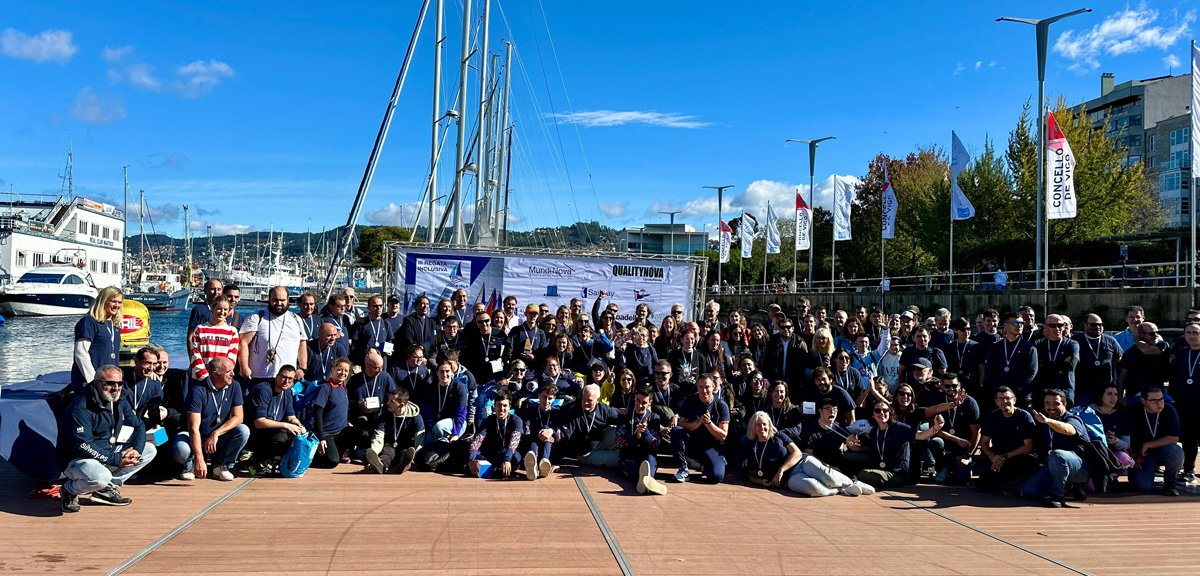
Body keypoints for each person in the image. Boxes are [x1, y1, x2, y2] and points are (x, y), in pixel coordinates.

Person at [56, 365, 156, 513]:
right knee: (100, 477)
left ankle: (106, 490)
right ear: (96, 384)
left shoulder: (120, 400)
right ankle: (69, 490)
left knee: (149, 450)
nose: (116, 388)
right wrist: (116, 459)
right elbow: (83, 445)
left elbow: (138, 425)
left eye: (120, 384)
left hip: (106, 451)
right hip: (76, 458)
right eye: (110, 383)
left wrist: (136, 450)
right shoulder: (81, 406)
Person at [174, 357, 249, 481]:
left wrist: (216, 433)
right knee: (181, 449)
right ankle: (189, 465)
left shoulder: (234, 386)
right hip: (193, 434)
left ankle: (222, 466)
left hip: (217, 435)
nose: (233, 374)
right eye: (228, 371)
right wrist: (200, 459)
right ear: (215, 374)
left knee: (243, 430)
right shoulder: (197, 391)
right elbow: (193, 428)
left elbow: (239, 417)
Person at [848, 399, 944, 489]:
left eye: (885, 410)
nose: (882, 413)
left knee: (864, 474)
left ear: (890, 413)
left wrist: (935, 428)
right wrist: (854, 447)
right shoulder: (874, 431)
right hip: (880, 468)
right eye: (878, 411)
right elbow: (872, 450)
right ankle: (853, 480)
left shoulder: (899, 428)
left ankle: (853, 481)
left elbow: (921, 435)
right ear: (873, 414)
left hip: (897, 474)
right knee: (848, 456)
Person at [1022, 389, 1091, 508]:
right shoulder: (1043, 423)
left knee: (1057, 454)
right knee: (1029, 491)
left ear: (1064, 404)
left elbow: (1068, 429)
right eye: (1047, 403)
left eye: (1056, 403)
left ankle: (1058, 495)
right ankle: (1069, 486)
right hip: (1053, 465)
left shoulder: (1073, 419)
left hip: (1080, 467)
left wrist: (1048, 421)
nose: (1051, 407)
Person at [976, 386, 1039, 493]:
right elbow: (984, 442)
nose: (1004, 401)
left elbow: (1028, 447)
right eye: (1000, 399)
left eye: (1007, 398)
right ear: (996, 402)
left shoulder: (1024, 416)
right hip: (998, 456)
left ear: (1014, 400)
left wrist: (1004, 457)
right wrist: (993, 458)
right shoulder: (992, 416)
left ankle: (1017, 482)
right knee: (981, 485)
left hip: (1019, 456)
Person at [238, 286, 308, 383]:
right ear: (269, 299)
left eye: (282, 300)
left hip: (287, 378)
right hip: (258, 377)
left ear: (288, 299)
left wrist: (303, 368)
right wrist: (244, 367)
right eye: (275, 300)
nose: (279, 303)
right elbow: (243, 342)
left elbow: (302, 343)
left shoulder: (296, 319)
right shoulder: (256, 317)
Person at [245, 366, 306, 475]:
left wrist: (299, 425)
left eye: (290, 379)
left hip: (270, 430)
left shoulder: (286, 392)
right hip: (253, 432)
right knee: (281, 437)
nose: (286, 381)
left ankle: (270, 459)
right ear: (277, 375)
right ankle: (253, 461)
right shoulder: (263, 390)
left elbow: (290, 416)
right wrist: (286, 425)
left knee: (297, 435)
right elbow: (259, 422)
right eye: (283, 377)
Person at [922, 373, 980, 484]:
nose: (951, 389)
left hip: (964, 445)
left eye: (954, 385)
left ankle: (964, 464)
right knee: (935, 443)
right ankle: (941, 467)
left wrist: (968, 455)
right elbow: (932, 429)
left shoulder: (970, 403)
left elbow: (976, 432)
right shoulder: (936, 399)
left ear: (959, 385)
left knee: (961, 480)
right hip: (945, 440)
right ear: (942, 387)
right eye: (947, 386)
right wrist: (957, 439)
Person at [670, 374, 730, 483]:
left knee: (716, 477)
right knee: (676, 431)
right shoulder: (690, 400)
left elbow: (723, 435)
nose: (704, 391)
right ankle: (683, 469)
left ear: (713, 386)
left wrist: (709, 424)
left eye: (707, 387)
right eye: (701, 387)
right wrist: (698, 423)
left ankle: (704, 466)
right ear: (697, 387)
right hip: (692, 442)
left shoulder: (721, 405)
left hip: (711, 446)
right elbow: (681, 424)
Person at [1127, 384, 1183, 495]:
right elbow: (1124, 438)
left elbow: (1174, 438)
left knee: (1176, 450)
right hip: (1140, 456)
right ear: (1143, 401)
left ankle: (1170, 484)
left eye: (1161, 399)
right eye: (1154, 400)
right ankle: (1142, 474)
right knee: (1143, 486)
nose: (1159, 403)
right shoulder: (1133, 412)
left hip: (1162, 451)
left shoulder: (1169, 410)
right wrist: (1133, 456)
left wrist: (1148, 444)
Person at [614, 384, 668, 495]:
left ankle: (643, 483)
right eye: (638, 400)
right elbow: (619, 442)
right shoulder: (624, 415)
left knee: (649, 462)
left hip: (647, 454)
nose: (640, 405)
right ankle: (648, 482)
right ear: (634, 398)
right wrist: (636, 436)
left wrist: (645, 432)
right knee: (628, 464)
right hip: (629, 455)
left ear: (650, 402)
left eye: (644, 402)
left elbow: (654, 444)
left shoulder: (654, 418)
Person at [343, 350, 396, 458]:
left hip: (380, 415)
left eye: (382, 366)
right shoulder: (355, 380)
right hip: (360, 417)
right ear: (367, 366)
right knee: (362, 430)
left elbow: (394, 395)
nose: (381, 370)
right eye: (378, 368)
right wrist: (358, 404)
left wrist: (382, 404)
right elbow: (346, 402)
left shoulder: (385, 376)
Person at [71, 286, 124, 394]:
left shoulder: (114, 326)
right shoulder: (88, 322)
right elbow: (81, 353)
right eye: (113, 301)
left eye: (119, 302)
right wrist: (93, 380)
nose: (116, 305)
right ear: (103, 301)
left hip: (109, 385)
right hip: (92, 385)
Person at [982, 312, 1038, 406]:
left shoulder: (1029, 348)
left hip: (1021, 398)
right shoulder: (995, 347)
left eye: (1021, 323)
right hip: (999, 397)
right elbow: (989, 370)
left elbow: (1031, 373)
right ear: (1005, 325)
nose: (1019, 326)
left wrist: (1015, 393)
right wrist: (999, 392)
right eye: (1015, 323)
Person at [364, 387, 424, 474]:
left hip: (406, 446)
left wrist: (416, 459)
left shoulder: (416, 417)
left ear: (401, 405)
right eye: (388, 400)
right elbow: (378, 436)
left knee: (405, 454)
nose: (387, 403)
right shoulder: (384, 415)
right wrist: (375, 452)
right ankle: (380, 465)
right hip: (389, 445)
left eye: (392, 401)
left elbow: (420, 439)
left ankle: (405, 466)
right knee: (386, 454)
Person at [466, 389, 524, 478]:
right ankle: (496, 468)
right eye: (499, 405)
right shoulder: (488, 420)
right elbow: (477, 440)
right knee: (470, 453)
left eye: (505, 406)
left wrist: (507, 459)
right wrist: (470, 460)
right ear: (494, 406)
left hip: (506, 454)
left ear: (509, 407)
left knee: (516, 457)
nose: (501, 409)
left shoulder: (516, 420)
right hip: (489, 455)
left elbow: (514, 441)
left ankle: (499, 467)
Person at [559, 384, 621, 468]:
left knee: (620, 430)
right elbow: (565, 435)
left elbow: (619, 421)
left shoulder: (603, 408)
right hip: (586, 453)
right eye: (583, 399)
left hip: (600, 440)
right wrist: (557, 462)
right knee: (619, 458)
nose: (585, 403)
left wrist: (624, 415)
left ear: (597, 400)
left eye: (589, 400)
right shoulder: (574, 410)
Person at [1072, 313, 1122, 408]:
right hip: (1083, 390)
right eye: (1093, 325)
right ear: (1085, 325)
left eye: (1100, 324)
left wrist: (1121, 387)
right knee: (1084, 418)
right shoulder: (1075, 341)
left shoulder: (1111, 341)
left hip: (1106, 391)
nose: (1098, 327)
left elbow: (1120, 364)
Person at [311, 357, 352, 468]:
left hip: (342, 432)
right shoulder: (325, 388)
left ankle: (343, 450)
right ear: (333, 370)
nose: (342, 373)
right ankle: (319, 454)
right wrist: (321, 438)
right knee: (332, 462)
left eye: (346, 371)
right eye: (339, 369)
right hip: (327, 433)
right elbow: (317, 413)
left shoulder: (344, 389)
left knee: (362, 434)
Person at [1172, 322, 1200, 483]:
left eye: (1195, 332)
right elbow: (1175, 376)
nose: (1191, 335)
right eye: (1188, 332)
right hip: (1185, 404)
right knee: (1189, 439)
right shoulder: (1183, 353)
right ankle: (1189, 470)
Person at [188, 295, 240, 381]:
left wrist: (221, 376)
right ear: (212, 308)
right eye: (219, 308)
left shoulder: (232, 331)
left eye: (225, 309)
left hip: (222, 380)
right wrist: (204, 376)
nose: (222, 312)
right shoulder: (200, 329)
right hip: (201, 379)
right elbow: (195, 353)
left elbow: (232, 356)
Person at [421, 358, 469, 443]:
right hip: (435, 423)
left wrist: (455, 434)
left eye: (447, 371)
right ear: (437, 372)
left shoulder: (459, 387)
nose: (444, 374)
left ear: (452, 373)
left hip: (455, 423)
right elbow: (426, 410)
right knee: (427, 441)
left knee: (440, 428)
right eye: (441, 371)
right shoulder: (431, 387)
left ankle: (450, 446)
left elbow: (461, 412)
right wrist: (432, 427)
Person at [521, 383, 562, 479]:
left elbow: (559, 434)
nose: (546, 401)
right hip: (532, 444)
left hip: (549, 447)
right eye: (544, 397)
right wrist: (540, 432)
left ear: (554, 398)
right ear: (538, 395)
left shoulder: (557, 413)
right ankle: (533, 461)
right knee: (540, 429)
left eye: (550, 398)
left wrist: (550, 431)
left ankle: (544, 462)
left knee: (547, 428)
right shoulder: (529, 411)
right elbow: (525, 430)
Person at [1118, 322, 1169, 396]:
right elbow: (1122, 377)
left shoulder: (1162, 345)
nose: (1156, 336)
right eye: (1151, 333)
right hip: (1134, 395)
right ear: (1141, 334)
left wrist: (1136, 339)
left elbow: (1147, 350)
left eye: (1157, 333)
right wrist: (1119, 396)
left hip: (1156, 395)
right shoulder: (1130, 352)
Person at [941, 318, 983, 396]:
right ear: (956, 330)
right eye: (963, 329)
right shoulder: (949, 347)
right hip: (954, 385)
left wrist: (981, 383)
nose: (966, 332)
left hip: (972, 384)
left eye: (968, 329)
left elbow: (981, 367)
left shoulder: (977, 346)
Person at [350, 295, 391, 366]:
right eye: (375, 306)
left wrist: (388, 350)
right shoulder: (361, 323)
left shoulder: (385, 323)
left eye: (380, 306)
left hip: (381, 364)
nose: (378, 308)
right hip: (365, 363)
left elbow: (389, 340)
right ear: (368, 308)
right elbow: (354, 345)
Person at [186, 278, 223, 346]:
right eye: (212, 289)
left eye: (219, 289)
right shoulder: (198, 310)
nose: (216, 292)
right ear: (205, 291)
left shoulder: (224, 311)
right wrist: (192, 355)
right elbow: (190, 337)